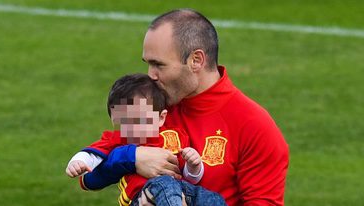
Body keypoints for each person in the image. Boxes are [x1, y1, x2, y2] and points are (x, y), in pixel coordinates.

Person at [82, 9, 289, 206]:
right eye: (148, 64)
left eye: (159, 65)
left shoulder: (255, 126)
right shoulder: (151, 106)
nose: (151, 75)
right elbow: (87, 172)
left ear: (196, 61)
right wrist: (133, 158)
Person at [66, 74, 226, 206]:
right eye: (124, 121)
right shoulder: (119, 139)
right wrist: (78, 161)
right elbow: (94, 154)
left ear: (161, 118)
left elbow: (188, 176)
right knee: (164, 184)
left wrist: (194, 166)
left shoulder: (174, 136)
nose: (132, 128)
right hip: (142, 196)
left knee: (213, 200)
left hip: (181, 190)